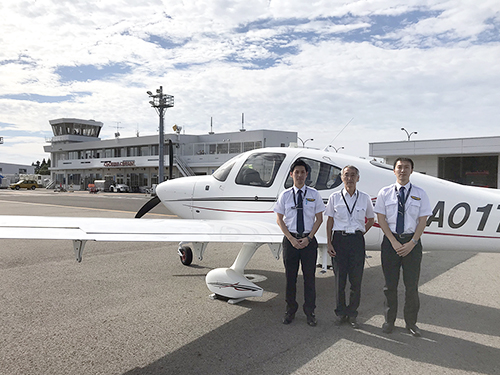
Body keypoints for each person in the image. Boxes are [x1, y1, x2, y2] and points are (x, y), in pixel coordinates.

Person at [374, 157, 432, 337]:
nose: (402, 170)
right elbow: (381, 219)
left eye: (406, 167)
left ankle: (411, 323)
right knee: (389, 286)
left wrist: (412, 243)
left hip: (412, 244)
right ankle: (389, 321)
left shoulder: (420, 193)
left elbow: (423, 220)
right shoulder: (385, 193)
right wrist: (393, 241)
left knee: (411, 286)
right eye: (399, 167)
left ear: (412, 171)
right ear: (394, 171)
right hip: (391, 243)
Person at [274, 159, 325, 326]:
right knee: (290, 278)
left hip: (309, 241)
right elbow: (279, 220)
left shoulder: (314, 194)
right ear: (291, 174)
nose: (300, 175)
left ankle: (310, 312)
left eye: (303, 172)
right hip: (291, 241)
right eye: (297, 172)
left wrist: (309, 238)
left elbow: (319, 219)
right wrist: (291, 239)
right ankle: (290, 310)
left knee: (309, 278)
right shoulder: (285, 195)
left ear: (307, 175)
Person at [325, 165, 375, 329]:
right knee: (340, 281)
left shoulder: (365, 198)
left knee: (356, 280)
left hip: (356, 241)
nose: (350, 178)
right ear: (341, 177)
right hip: (339, 239)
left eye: (353, 175)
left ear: (358, 178)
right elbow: (330, 221)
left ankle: (352, 314)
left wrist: (360, 234)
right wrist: (329, 242)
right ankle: (340, 313)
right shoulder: (334, 197)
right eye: (347, 175)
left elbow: (371, 219)